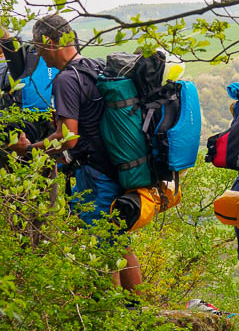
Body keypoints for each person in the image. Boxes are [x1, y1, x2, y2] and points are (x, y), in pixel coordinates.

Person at [8, 14, 142, 292]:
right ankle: (136, 309)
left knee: (102, 244)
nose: (38, 55)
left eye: (38, 45)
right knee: (117, 241)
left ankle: (113, 313)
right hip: (114, 165)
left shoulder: (66, 79)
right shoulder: (92, 66)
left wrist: (28, 149)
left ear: (51, 42)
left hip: (93, 172)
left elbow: (68, 137)